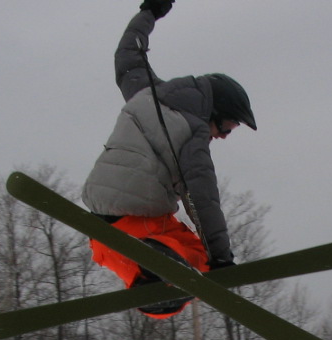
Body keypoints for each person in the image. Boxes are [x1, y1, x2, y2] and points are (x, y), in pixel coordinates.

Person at [81, 0, 256, 318]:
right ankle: (159, 272)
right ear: (214, 113)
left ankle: (149, 282)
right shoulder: (194, 131)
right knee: (196, 255)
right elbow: (203, 196)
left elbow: (128, 58)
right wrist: (221, 259)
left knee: (108, 247)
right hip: (143, 215)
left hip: (102, 214)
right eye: (226, 129)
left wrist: (149, 13)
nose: (221, 137)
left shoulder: (146, 93)